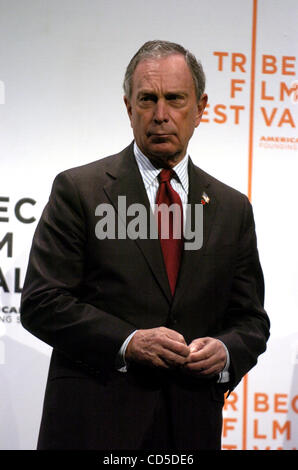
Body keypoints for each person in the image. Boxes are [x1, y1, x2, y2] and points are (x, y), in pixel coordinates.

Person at [20, 40, 270, 450]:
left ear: (200, 107)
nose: (160, 115)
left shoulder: (232, 208)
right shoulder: (79, 191)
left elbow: (251, 321)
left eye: (175, 99)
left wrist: (226, 351)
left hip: (189, 427)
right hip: (91, 425)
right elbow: (42, 301)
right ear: (128, 107)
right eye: (147, 99)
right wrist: (128, 341)